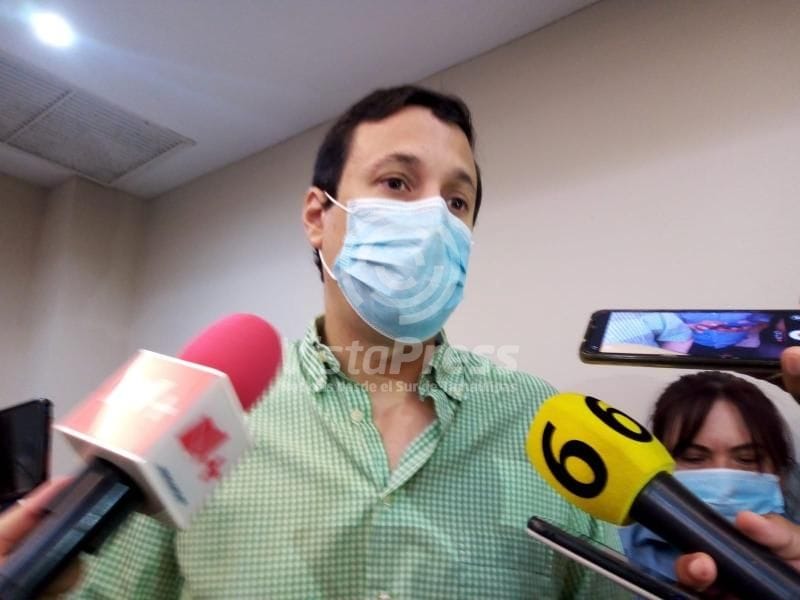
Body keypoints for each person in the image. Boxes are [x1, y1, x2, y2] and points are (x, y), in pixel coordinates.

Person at [2, 86, 799, 598]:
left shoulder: (550, 429)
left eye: (457, 202)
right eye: (396, 183)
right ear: (319, 216)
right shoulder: (200, 416)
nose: (432, 219)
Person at [620, 370, 798, 582]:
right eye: (694, 458)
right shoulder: (616, 552)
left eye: (747, 459)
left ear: (780, 474)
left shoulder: (794, 547)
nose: (725, 486)